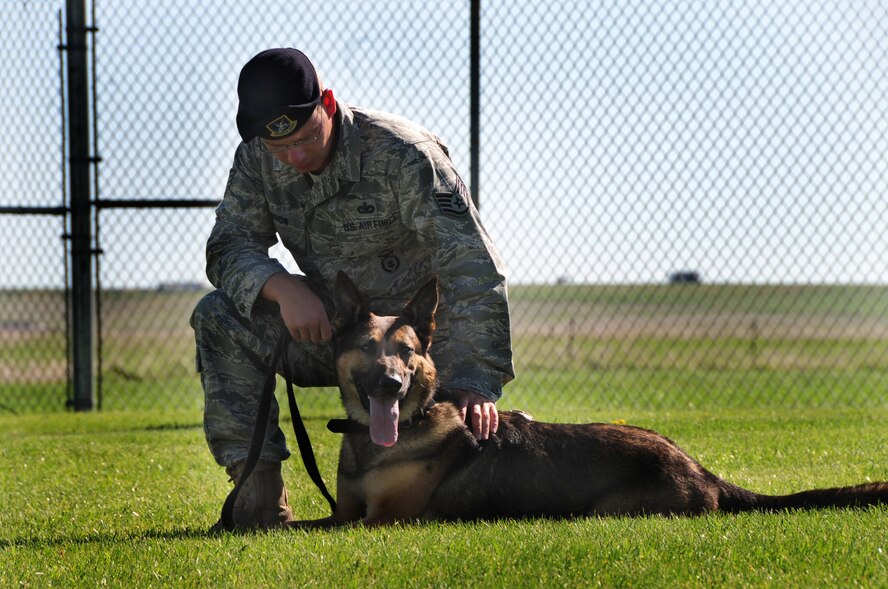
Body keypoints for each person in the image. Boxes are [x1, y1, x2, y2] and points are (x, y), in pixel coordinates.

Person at [190, 48, 514, 529]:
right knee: (219, 316)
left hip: (416, 355)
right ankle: (257, 500)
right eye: (280, 149)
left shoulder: (404, 154)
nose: (295, 157)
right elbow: (228, 246)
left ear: (328, 101)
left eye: (305, 138)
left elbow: (472, 267)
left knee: (458, 456)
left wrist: (473, 381)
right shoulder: (257, 158)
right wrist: (281, 287)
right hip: (334, 338)